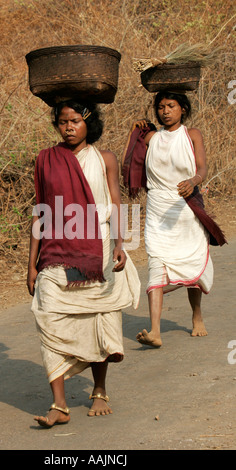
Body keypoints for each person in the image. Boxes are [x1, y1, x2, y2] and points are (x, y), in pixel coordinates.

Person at [27, 100, 140, 427]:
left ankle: (100, 389)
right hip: (56, 248)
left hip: (98, 247)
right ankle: (59, 405)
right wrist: (31, 264)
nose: (69, 127)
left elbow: (116, 203)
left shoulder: (104, 159)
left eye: (75, 120)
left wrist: (122, 244)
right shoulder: (46, 160)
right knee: (47, 312)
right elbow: (40, 210)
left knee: (98, 315)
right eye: (63, 121)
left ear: (89, 122)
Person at [122, 91, 226, 348]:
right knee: (157, 262)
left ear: (183, 109)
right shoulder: (151, 137)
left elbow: (202, 168)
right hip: (158, 208)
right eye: (161, 107)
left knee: (190, 261)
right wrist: (135, 130)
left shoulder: (192, 135)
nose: (165, 111)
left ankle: (196, 315)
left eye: (171, 106)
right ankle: (155, 330)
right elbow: (130, 157)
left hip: (186, 208)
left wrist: (193, 181)